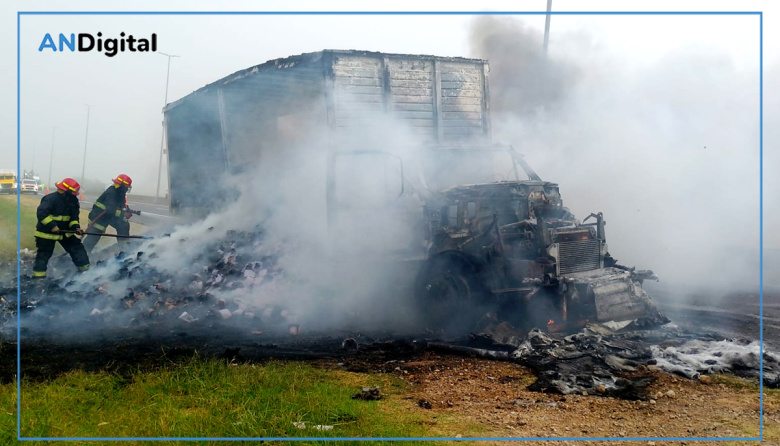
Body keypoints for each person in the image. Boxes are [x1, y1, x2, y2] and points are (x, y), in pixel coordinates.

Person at [32, 178, 90, 278]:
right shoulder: (50, 199)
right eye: (74, 192)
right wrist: (53, 226)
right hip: (47, 233)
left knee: (77, 249)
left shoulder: (73, 202)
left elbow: (73, 218)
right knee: (44, 255)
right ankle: (38, 278)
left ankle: (86, 272)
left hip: (65, 232)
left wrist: (76, 228)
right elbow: (41, 213)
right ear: (66, 191)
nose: (76, 194)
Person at [82, 174, 136, 253]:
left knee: (123, 225)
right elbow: (111, 210)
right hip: (98, 218)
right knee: (93, 237)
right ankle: (82, 255)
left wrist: (127, 210)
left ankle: (124, 249)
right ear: (122, 185)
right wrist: (123, 214)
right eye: (127, 187)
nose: (127, 188)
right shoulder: (112, 193)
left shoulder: (120, 192)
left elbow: (121, 206)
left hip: (107, 217)